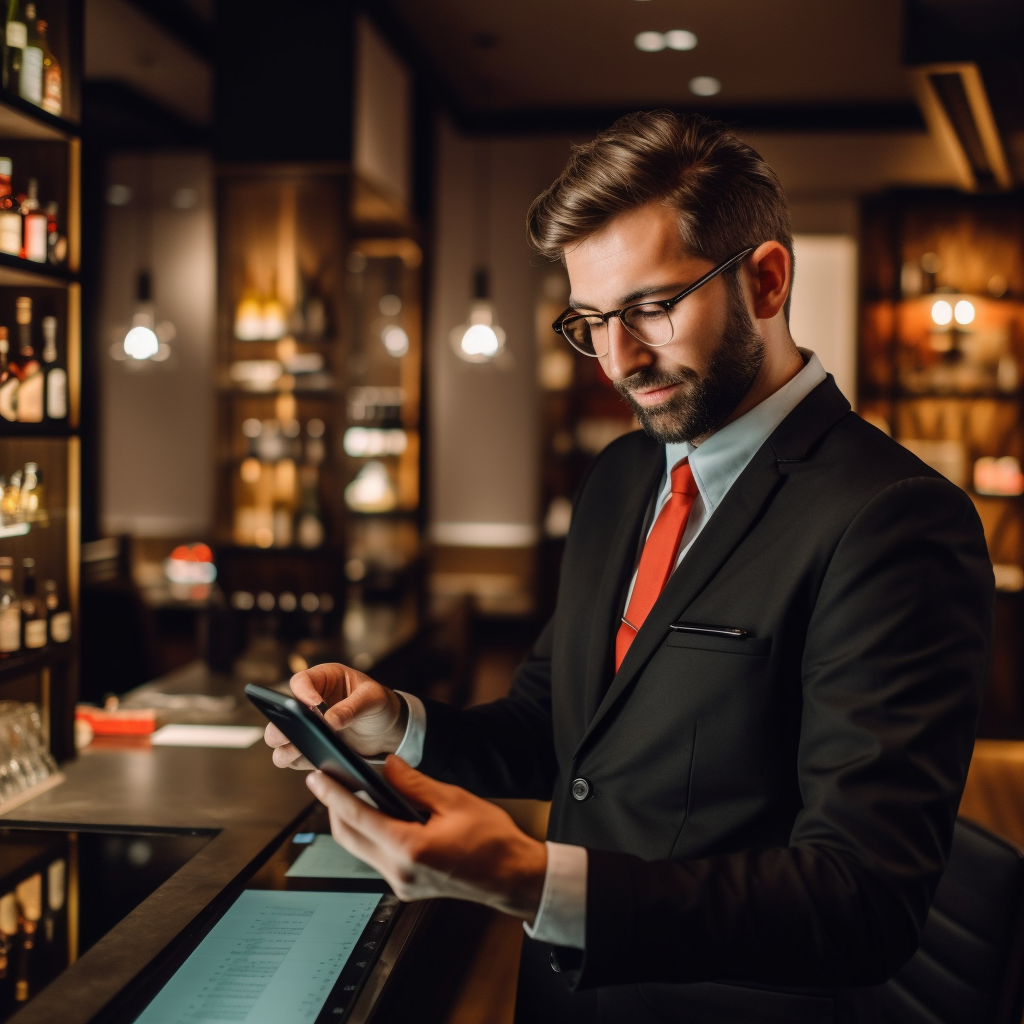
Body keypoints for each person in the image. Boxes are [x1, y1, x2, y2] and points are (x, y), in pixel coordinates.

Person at [265, 111, 993, 1023]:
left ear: (766, 280)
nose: (618, 359)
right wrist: (398, 727)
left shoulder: (893, 519)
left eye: (651, 308)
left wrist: (537, 881)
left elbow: (861, 906)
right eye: (590, 320)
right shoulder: (620, 477)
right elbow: (559, 727)